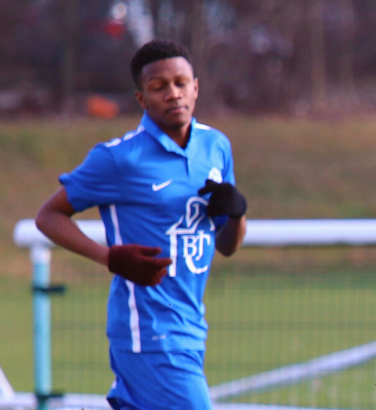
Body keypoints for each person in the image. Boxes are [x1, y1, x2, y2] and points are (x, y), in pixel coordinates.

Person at [34, 39, 248, 410]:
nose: (173, 93)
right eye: (158, 86)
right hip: (147, 330)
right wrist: (109, 257)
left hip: (191, 326)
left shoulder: (216, 147)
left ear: (196, 87)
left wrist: (238, 213)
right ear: (141, 98)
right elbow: (48, 216)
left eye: (181, 83)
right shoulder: (119, 159)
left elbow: (227, 245)